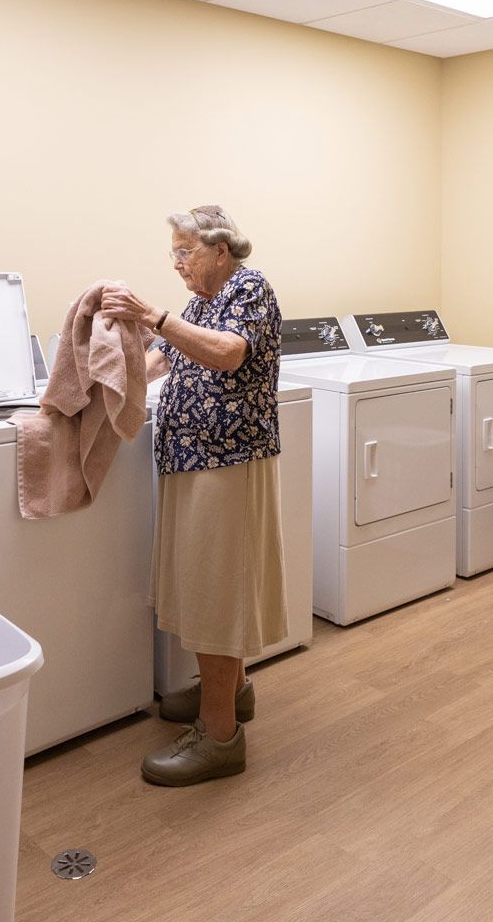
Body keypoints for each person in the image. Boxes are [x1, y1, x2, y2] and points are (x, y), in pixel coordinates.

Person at [100, 205, 285, 786]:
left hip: (226, 459)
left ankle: (220, 737)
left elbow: (228, 352)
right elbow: (158, 364)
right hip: (192, 458)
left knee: (216, 590)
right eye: (173, 254)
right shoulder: (203, 302)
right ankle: (232, 692)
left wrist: (154, 316)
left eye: (185, 251)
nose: (177, 263)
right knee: (209, 582)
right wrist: (95, 372)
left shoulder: (248, 288)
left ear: (220, 250)